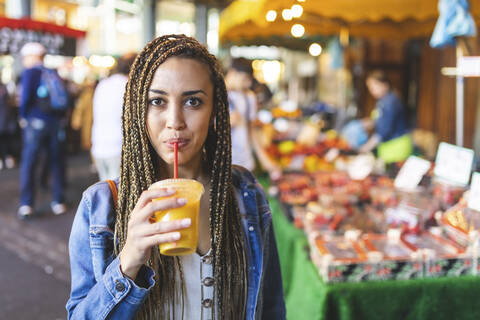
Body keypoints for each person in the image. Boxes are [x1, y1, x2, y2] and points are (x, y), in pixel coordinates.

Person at [66, 35, 286, 319]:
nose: (175, 121)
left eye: (193, 101)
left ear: (215, 110)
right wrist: (128, 261)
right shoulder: (100, 207)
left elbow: (270, 308)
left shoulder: (245, 195)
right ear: (138, 111)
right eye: (157, 101)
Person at [17, 42, 68, 218]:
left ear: (32, 56)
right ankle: (58, 201)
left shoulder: (30, 72)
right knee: (56, 161)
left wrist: (23, 117)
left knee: (29, 162)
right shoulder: (52, 72)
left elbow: (25, 99)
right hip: (55, 124)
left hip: (35, 123)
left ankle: (26, 204)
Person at [225, 58, 281, 179]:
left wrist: (265, 160)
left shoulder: (249, 97)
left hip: (245, 164)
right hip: (221, 165)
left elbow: (252, 130)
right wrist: (225, 125)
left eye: (249, 80)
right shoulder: (215, 95)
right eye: (244, 79)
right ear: (233, 73)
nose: (248, 84)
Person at [91, 53, 135, 181]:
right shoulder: (129, 86)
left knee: (106, 193)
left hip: (99, 145)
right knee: (120, 195)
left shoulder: (103, 84)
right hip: (119, 147)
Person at [359, 70, 412, 163]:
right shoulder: (382, 100)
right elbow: (379, 119)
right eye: (370, 87)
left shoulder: (390, 102)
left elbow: (384, 130)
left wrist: (365, 148)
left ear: (384, 85)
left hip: (396, 148)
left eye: (373, 86)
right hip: (388, 148)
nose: (371, 90)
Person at [0, 80, 16, 170]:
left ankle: (5, 159)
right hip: (6, 120)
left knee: (4, 141)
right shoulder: (5, 89)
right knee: (6, 141)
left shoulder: (5, 89)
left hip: (5, 121)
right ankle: (7, 159)